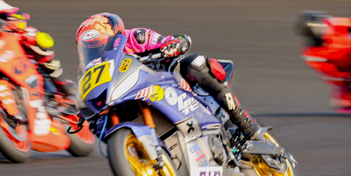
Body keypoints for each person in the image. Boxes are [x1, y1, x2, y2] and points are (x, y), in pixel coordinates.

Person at [76, 13, 261, 141]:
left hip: (168, 80)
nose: (96, 51)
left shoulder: (136, 38)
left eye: (100, 45)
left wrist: (171, 44)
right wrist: (84, 112)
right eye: (91, 48)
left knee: (195, 64)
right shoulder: (90, 69)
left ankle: (244, 123)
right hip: (131, 99)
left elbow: (165, 41)